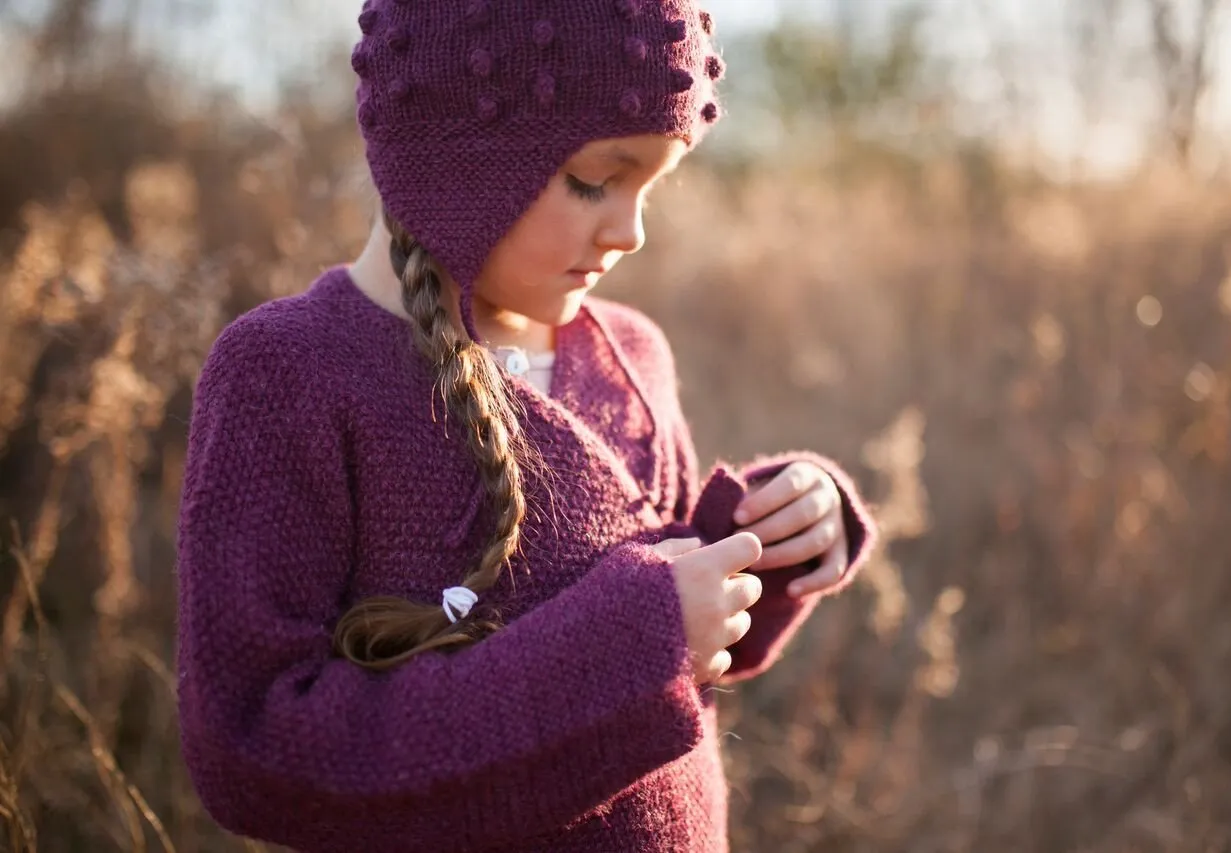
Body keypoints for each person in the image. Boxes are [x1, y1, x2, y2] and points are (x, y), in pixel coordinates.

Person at [174, 1, 877, 850]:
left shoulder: (632, 353)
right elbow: (256, 747)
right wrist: (635, 638)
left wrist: (771, 538)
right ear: (456, 160)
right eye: (595, 181)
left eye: (652, 185)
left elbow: (684, 641)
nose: (631, 232)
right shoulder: (291, 372)